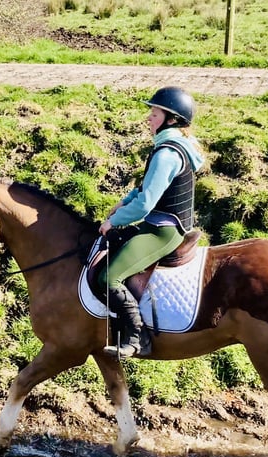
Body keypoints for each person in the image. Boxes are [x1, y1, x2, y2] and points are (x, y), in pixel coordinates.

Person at [98, 86, 205, 358]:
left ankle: (138, 337)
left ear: (171, 119)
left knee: (109, 278)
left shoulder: (167, 154)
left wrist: (114, 221)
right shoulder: (170, 147)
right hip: (160, 225)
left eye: (154, 114)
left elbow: (146, 204)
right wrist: (124, 200)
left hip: (163, 232)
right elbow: (147, 189)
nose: (149, 118)